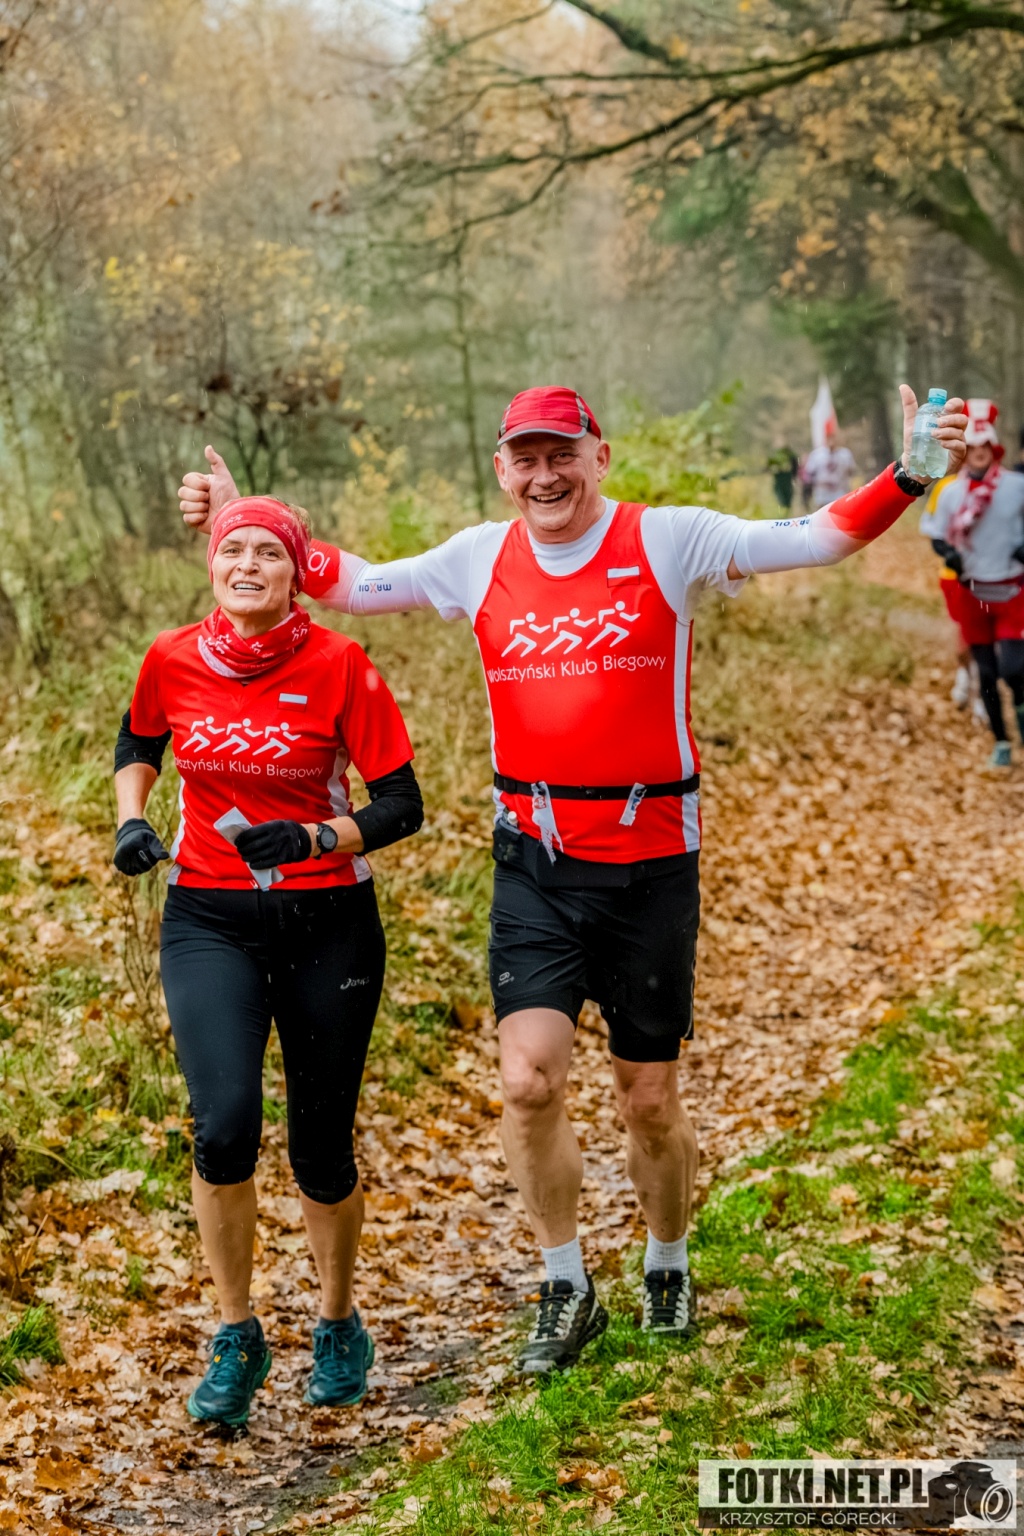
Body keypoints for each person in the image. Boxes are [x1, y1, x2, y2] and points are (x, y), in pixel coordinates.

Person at [179, 385, 966, 1376]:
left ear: (600, 456)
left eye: (563, 454)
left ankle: (667, 1258)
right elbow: (348, 581)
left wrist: (909, 473)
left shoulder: (668, 540)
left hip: (650, 864)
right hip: (535, 862)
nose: (545, 475)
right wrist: (248, 518)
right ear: (501, 469)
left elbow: (819, 536)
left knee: (647, 1098)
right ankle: (566, 1285)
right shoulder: (478, 557)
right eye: (526, 458)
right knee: (528, 1081)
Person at [114, 495, 423, 1426]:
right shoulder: (171, 656)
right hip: (208, 919)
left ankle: (337, 1323)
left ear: (297, 575)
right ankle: (236, 1334)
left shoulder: (341, 664)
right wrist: (132, 818)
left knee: (320, 1149)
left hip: (329, 922)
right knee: (223, 1128)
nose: (246, 565)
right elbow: (140, 739)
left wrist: (318, 835)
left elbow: (401, 804)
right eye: (232, 550)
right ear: (211, 563)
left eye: (268, 554)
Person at [921, 399, 1024, 768]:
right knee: (987, 673)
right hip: (973, 592)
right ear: (965, 452)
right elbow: (935, 533)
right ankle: (1001, 743)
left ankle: (1022, 712)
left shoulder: (1017, 486)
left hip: (1012, 590)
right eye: (973, 447)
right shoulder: (950, 492)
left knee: (1014, 669)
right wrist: (947, 553)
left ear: (994, 450)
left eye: (985, 447)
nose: (979, 453)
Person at [802, 423, 856, 509]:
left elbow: (851, 472)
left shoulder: (845, 454)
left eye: (833, 437)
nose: (831, 440)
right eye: (829, 437)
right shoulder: (816, 455)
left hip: (840, 495)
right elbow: (808, 476)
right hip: (822, 497)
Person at [767, 445, 799, 513]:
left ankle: (785, 511)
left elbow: (795, 468)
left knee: (785, 499)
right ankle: (784, 511)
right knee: (782, 499)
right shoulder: (778, 457)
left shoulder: (790, 457)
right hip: (783, 480)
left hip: (785, 480)